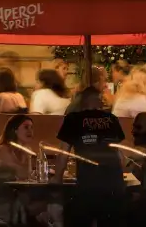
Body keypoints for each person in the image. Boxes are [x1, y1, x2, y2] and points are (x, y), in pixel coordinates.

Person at [54, 87, 127, 227]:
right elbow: (120, 157)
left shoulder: (73, 119)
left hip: (88, 186)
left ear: (82, 102)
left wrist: (57, 178)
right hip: (114, 187)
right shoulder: (112, 119)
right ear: (99, 101)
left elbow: (63, 154)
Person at [0, 114, 35, 180]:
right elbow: (19, 172)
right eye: (26, 127)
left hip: (19, 188)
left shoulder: (27, 150)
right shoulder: (3, 149)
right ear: (15, 130)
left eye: (31, 127)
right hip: (3, 189)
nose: (30, 131)